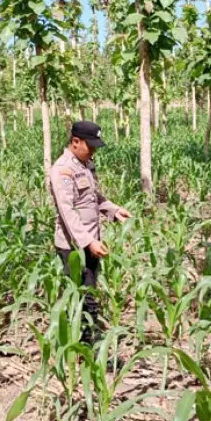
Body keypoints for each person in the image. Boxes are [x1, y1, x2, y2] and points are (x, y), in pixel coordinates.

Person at [48, 121, 131, 342]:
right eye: (90, 146)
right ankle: (83, 346)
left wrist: (113, 210)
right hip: (74, 248)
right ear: (75, 142)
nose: (93, 151)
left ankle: (86, 340)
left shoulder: (85, 164)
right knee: (83, 297)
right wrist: (88, 242)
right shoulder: (63, 169)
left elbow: (93, 197)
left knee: (90, 292)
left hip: (91, 242)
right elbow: (67, 211)